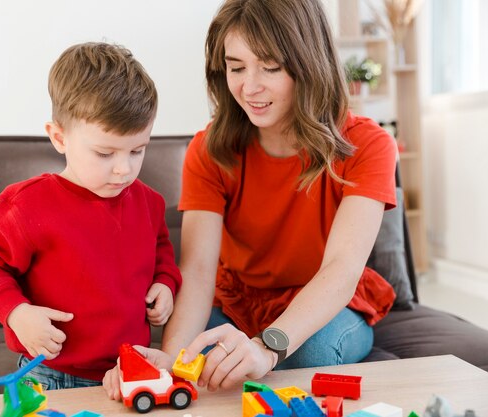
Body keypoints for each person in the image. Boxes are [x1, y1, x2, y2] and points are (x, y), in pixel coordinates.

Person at [103, 0, 398, 399]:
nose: (249, 87)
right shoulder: (208, 150)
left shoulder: (368, 144)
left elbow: (341, 270)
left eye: (271, 67)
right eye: (236, 67)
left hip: (324, 301)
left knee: (309, 352)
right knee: (194, 353)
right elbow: (199, 268)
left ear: (309, 64)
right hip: (238, 300)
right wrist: (172, 360)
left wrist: (267, 346)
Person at [0, 42, 182, 390]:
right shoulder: (26, 205)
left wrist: (165, 284)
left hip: (128, 369)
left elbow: (162, 254)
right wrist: (16, 313)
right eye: (105, 153)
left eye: (138, 150)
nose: (124, 169)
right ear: (59, 137)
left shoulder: (148, 202)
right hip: (48, 374)